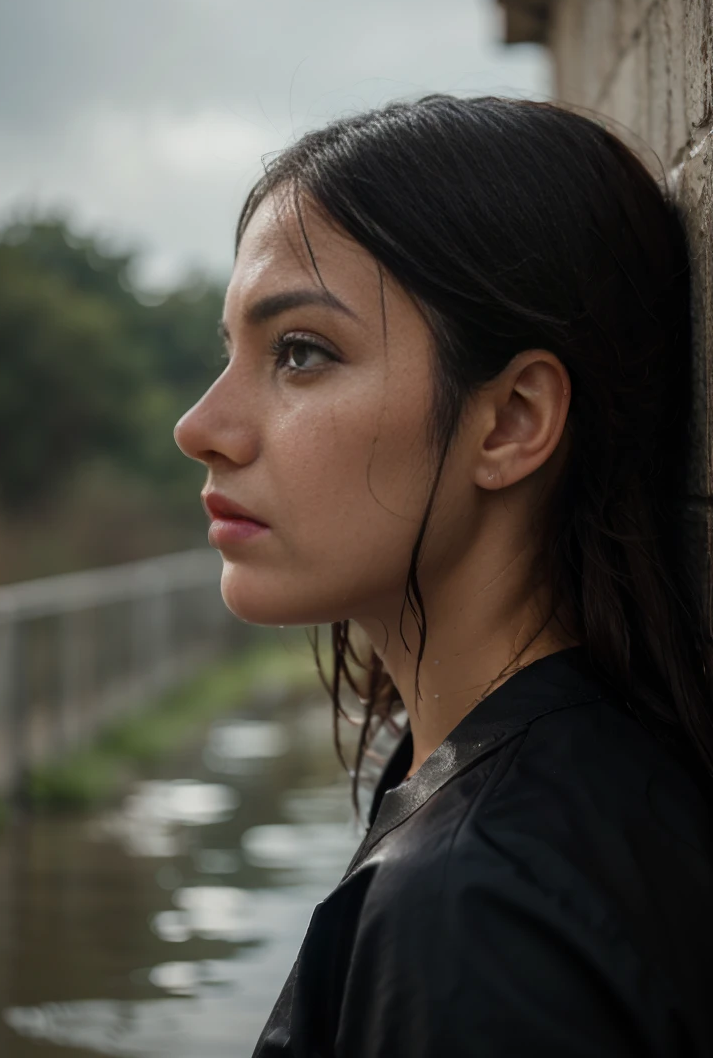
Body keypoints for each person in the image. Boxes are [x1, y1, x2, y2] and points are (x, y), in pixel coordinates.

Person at [174, 95, 713, 1056]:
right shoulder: (557, 782)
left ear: (510, 422)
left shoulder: (477, 911)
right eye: (234, 353)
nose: (201, 428)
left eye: (300, 352)